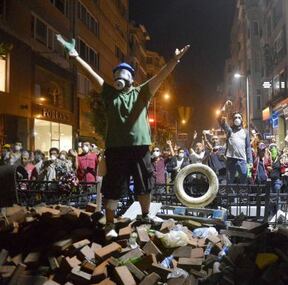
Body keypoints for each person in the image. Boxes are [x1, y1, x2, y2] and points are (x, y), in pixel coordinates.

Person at [57, 33, 190, 231]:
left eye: (124, 72)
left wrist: (174, 60)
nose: (120, 75)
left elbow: (160, 76)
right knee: (113, 187)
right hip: (116, 149)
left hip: (139, 148)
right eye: (117, 72)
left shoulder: (142, 92)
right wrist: (75, 56)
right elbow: (90, 74)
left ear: (131, 78)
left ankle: (145, 217)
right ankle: (110, 223)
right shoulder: (109, 92)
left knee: (144, 184)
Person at [218, 100, 253, 184]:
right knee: (229, 181)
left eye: (239, 117)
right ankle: (231, 197)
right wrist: (224, 107)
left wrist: (250, 161)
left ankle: (243, 197)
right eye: (235, 118)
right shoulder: (230, 130)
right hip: (231, 159)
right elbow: (220, 120)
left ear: (242, 120)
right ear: (233, 120)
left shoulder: (245, 132)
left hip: (242, 160)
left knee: (244, 181)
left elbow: (248, 147)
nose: (237, 119)